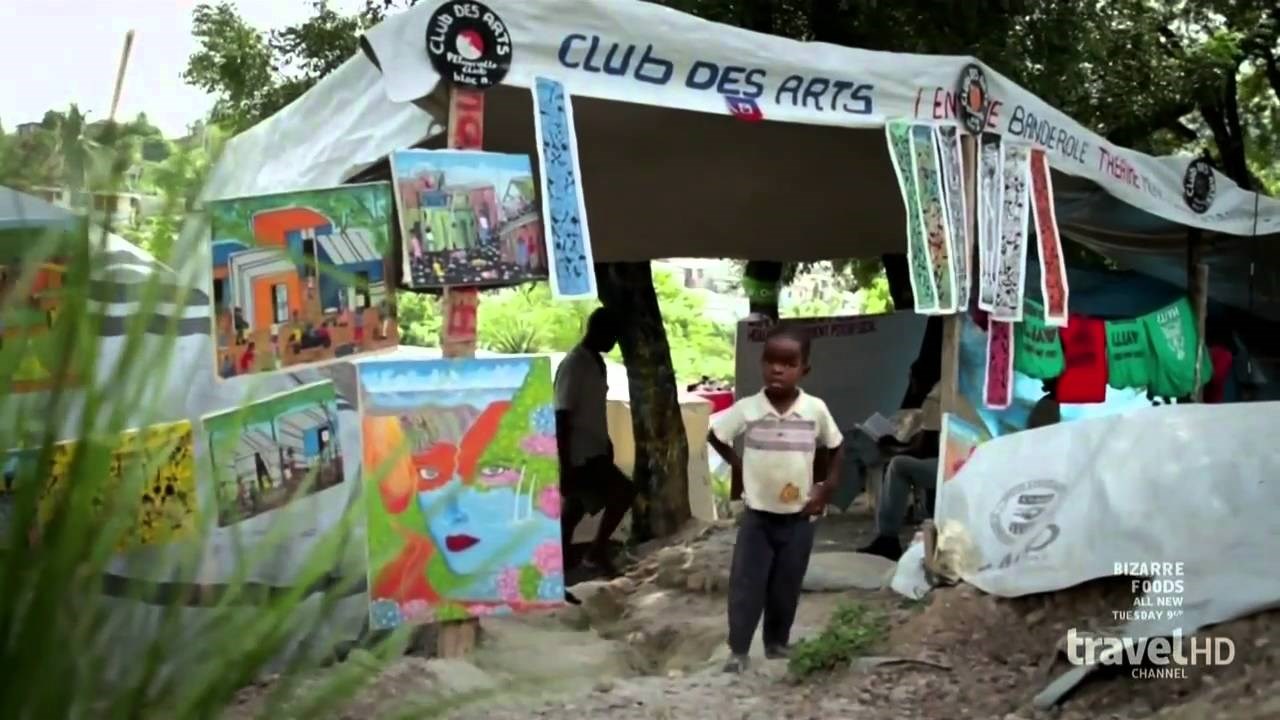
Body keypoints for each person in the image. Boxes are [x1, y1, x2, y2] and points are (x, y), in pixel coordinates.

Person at [707, 326, 845, 673]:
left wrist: (825, 486)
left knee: (786, 584)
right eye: (771, 361)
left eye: (788, 363)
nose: (778, 370)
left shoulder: (815, 410)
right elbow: (716, 434)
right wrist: (738, 464)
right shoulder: (748, 409)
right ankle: (738, 651)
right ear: (761, 364)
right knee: (746, 585)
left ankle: (777, 644)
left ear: (804, 370)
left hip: (799, 517)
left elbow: (837, 445)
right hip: (758, 517)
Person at [554, 308, 637, 600]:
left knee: (574, 510)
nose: (614, 342)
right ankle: (595, 552)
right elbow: (562, 414)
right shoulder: (575, 364)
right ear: (598, 330)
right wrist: (564, 462)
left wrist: (607, 440)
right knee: (623, 492)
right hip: (581, 453)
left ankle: (561, 570)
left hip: (595, 448)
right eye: (612, 336)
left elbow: (592, 410)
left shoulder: (595, 363)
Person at [859, 379, 943, 561]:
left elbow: (925, 448)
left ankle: (887, 539)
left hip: (956, 467)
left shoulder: (937, 395)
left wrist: (893, 449)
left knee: (899, 465)